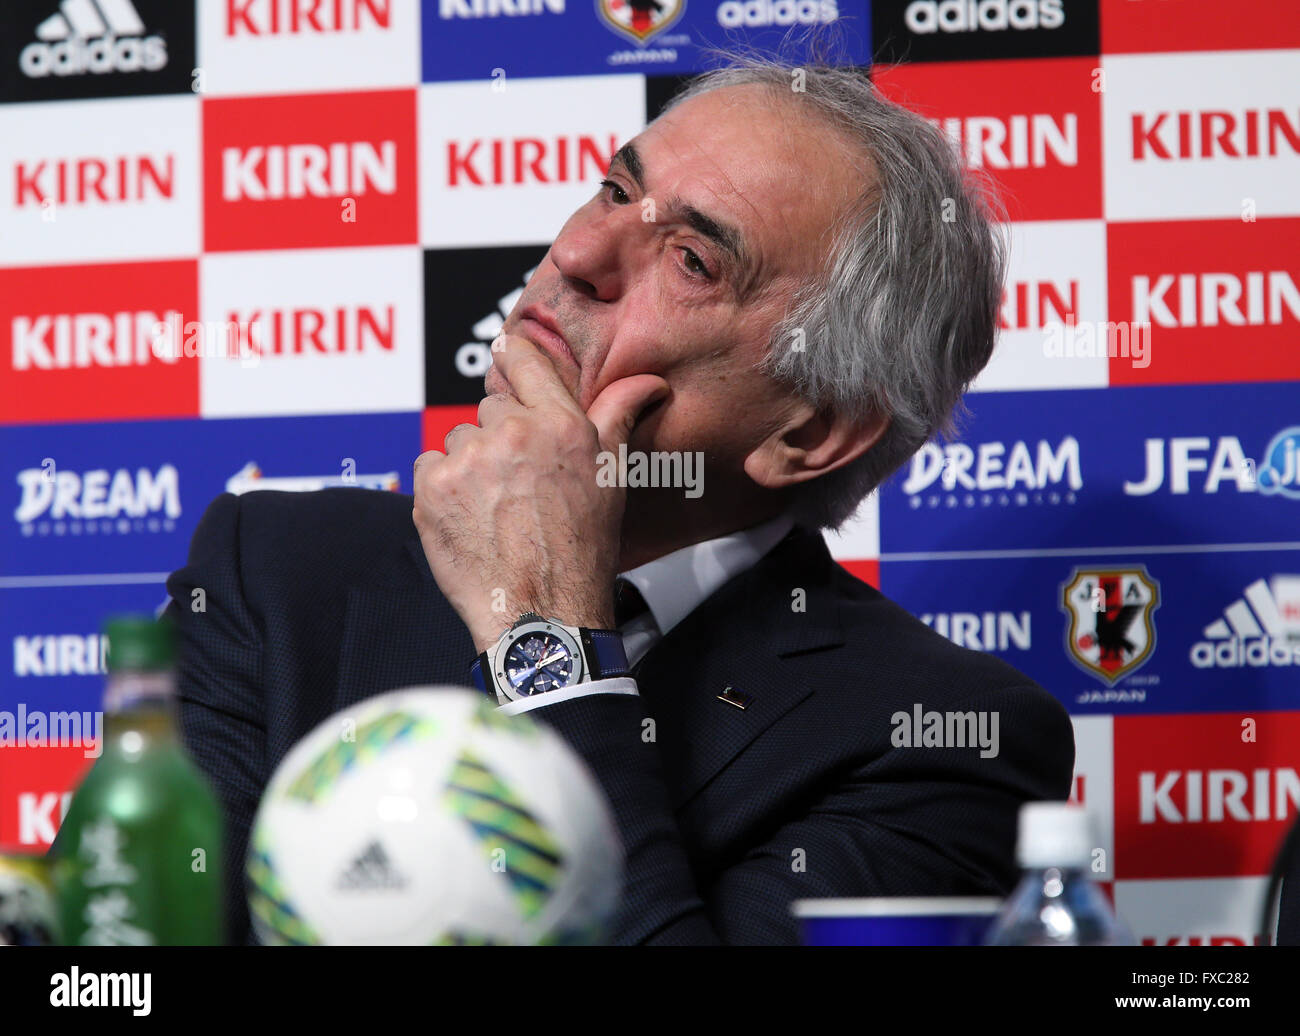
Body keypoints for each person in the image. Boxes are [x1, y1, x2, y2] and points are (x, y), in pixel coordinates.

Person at [166, 57, 1075, 945]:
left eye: (689, 258)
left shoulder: (946, 741)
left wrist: (542, 627)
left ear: (810, 432)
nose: (576, 252)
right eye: (612, 189)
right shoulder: (273, 568)